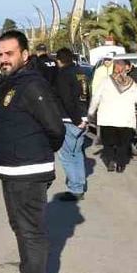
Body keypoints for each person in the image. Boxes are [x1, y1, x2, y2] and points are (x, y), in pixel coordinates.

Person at [0, 30, 66, 273]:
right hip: (10, 172)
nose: (3, 59)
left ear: (25, 54)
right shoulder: (8, 83)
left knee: (32, 233)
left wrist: (37, 154)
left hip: (29, 171)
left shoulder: (32, 85)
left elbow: (56, 129)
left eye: (9, 54)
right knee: (19, 228)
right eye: (0, 54)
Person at [88, 57, 137, 173]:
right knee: (123, 144)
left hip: (107, 119)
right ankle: (121, 165)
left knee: (108, 143)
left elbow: (96, 98)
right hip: (125, 120)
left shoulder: (105, 81)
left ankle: (110, 161)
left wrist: (91, 112)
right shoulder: (131, 83)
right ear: (125, 69)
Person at [52, 47, 90, 200]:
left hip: (69, 120)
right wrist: (85, 118)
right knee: (77, 153)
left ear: (59, 60)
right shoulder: (81, 73)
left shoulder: (63, 75)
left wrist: (77, 120)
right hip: (82, 118)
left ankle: (75, 189)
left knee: (67, 156)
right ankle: (79, 184)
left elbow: (67, 100)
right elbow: (87, 95)